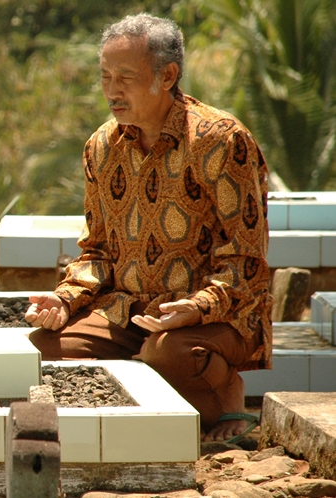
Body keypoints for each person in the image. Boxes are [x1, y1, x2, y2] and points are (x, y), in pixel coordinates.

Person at [25, 14, 272, 444]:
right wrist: (64, 301)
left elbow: (246, 259)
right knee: (37, 349)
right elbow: (97, 252)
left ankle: (228, 393)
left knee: (169, 352)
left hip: (215, 314)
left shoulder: (221, 140)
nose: (111, 89)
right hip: (127, 312)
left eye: (125, 77)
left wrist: (197, 308)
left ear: (168, 76)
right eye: (105, 76)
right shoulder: (100, 147)